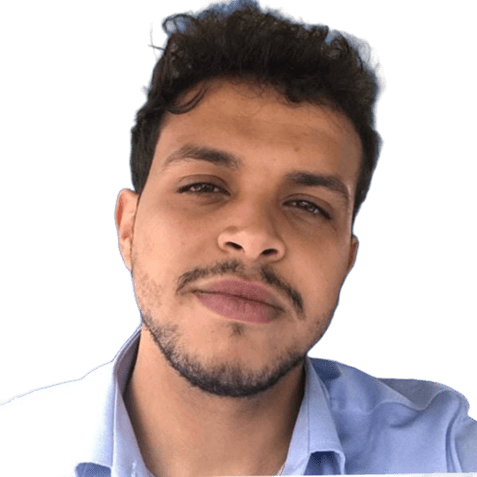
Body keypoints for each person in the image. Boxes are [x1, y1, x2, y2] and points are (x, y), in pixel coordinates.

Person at [1, 1, 475, 476]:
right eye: (203, 187)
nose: (253, 237)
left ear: (346, 261)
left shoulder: (446, 454)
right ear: (128, 227)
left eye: (308, 206)